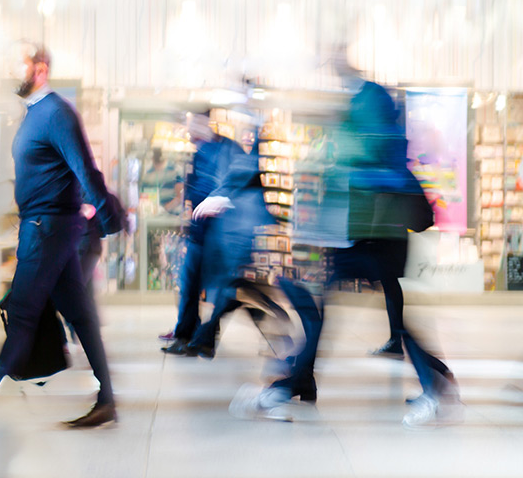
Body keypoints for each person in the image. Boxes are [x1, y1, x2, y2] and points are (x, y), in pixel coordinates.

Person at [230, 62, 460, 428]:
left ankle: (285, 388)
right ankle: (289, 386)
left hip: (374, 238)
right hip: (367, 238)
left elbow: (359, 170)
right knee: (337, 315)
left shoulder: (370, 129)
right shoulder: (373, 127)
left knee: (343, 316)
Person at [0, 44, 124, 428]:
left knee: (21, 313)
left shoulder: (56, 113)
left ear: (40, 68)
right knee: (82, 317)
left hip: (48, 230)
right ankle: (107, 401)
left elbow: (84, 170)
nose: (11, 69)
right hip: (45, 228)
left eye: (17, 62)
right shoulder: (34, 115)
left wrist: (107, 218)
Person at [161, 112, 245, 350]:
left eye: (193, 125)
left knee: (221, 292)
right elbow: (193, 189)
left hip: (221, 234)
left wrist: (220, 203)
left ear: (205, 123)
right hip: (201, 233)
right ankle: (188, 335)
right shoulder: (200, 153)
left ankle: (201, 337)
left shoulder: (228, 149)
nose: (189, 133)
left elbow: (239, 185)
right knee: (191, 284)